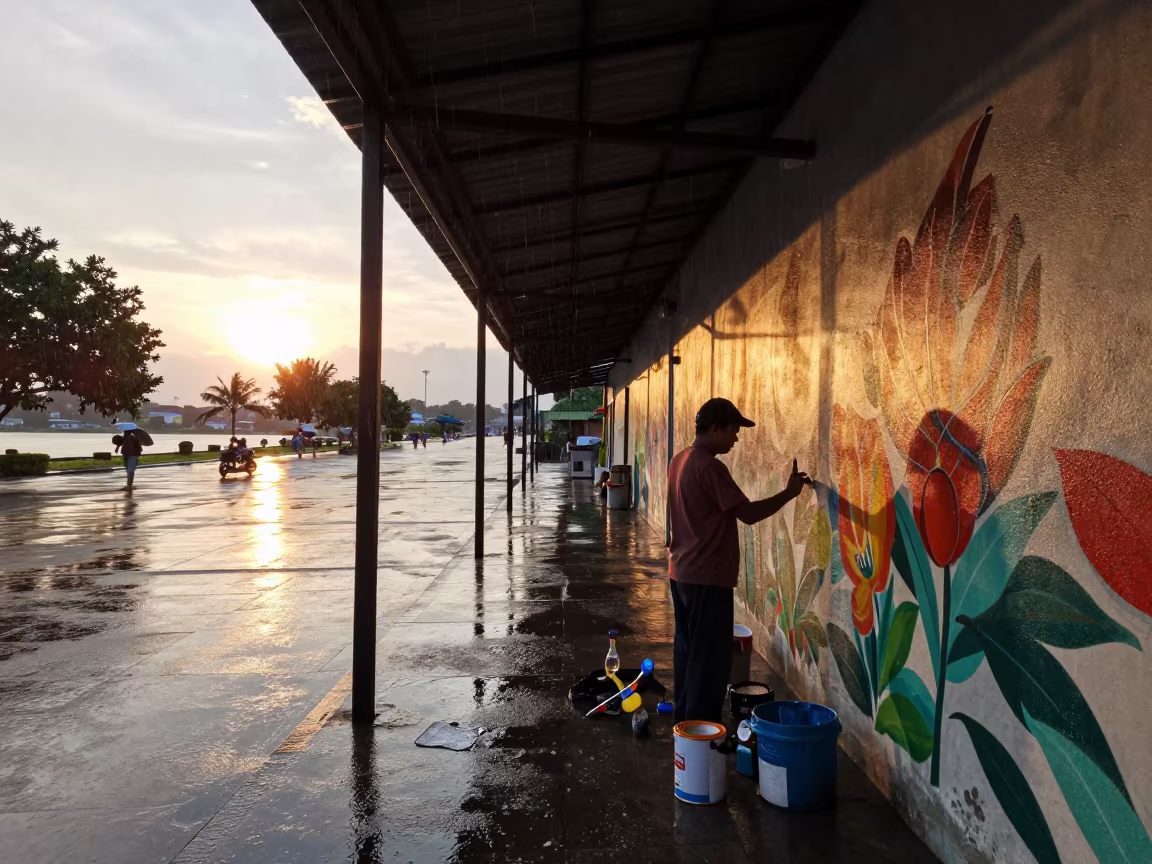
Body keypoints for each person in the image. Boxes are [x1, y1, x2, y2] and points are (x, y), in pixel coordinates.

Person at [667, 397, 811, 724]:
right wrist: (789, 493)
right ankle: (701, 731)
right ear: (715, 429)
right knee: (710, 663)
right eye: (733, 431)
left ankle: (685, 724)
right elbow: (746, 513)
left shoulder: (679, 460)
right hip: (707, 579)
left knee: (688, 655)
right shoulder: (709, 466)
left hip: (682, 574)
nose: (735, 439)